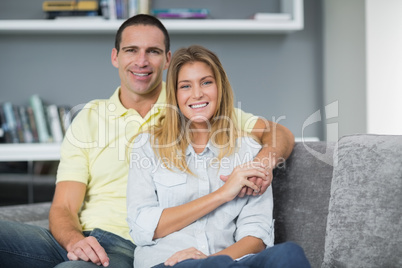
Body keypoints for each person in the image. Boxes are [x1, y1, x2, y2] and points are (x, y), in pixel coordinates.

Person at [0, 14, 294, 268]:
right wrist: (76, 241)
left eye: (153, 51)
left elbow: (279, 133)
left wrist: (261, 163)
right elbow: (63, 207)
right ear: (116, 56)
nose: (141, 61)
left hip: (126, 245)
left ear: (167, 59)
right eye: (131, 50)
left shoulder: (189, 103)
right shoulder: (89, 117)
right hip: (81, 237)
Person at [126, 45, 309, 268]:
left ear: (219, 87)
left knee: (289, 253)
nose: (197, 94)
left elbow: (256, 235)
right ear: (174, 94)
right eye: (185, 86)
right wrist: (223, 193)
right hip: (170, 263)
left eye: (206, 82)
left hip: (230, 262)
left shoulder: (248, 151)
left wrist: (212, 260)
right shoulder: (147, 146)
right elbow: (143, 227)